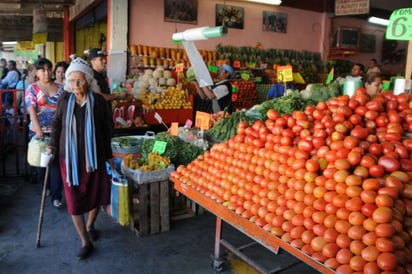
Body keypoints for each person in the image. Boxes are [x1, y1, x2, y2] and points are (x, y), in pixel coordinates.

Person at [47, 58, 114, 259]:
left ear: (89, 81)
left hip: (94, 157)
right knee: (73, 200)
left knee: (97, 195)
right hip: (69, 159)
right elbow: (57, 123)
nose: (74, 85)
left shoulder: (99, 102)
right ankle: (85, 240)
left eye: (79, 80)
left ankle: (90, 224)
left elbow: (106, 129)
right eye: (71, 81)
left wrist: (109, 155)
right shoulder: (65, 99)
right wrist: (52, 145)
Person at [25, 58, 64, 207]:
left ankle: (56, 196)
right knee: (42, 166)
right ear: (37, 72)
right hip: (39, 133)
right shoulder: (33, 88)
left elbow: (63, 111)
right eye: (43, 69)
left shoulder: (60, 87)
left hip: (56, 132)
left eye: (49, 69)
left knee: (56, 164)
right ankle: (45, 186)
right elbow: (31, 111)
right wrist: (39, 130)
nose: (46, 72)